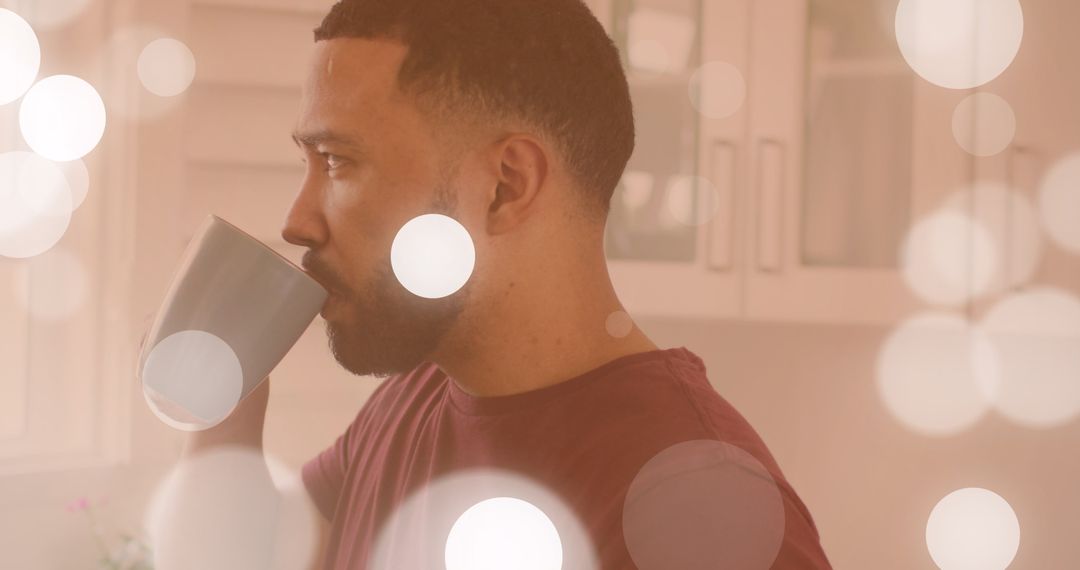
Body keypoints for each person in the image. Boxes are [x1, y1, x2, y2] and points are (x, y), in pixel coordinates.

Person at [188, 0, 833, 568]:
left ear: (506, 187)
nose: (297, 221)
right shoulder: (412, 401)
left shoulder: (702, 510)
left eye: (338, 162)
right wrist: (221, 410)